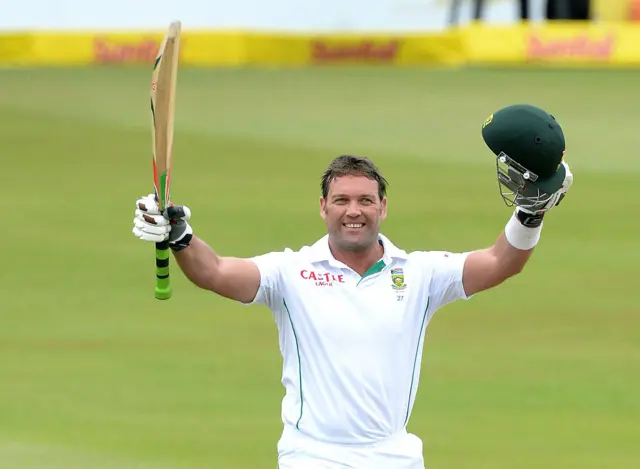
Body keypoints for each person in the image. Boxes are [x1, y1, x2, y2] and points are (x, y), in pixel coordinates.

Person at [132, 103, 574, 469]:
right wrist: (180, 235)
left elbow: (502, 262)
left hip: (394, 455)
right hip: (312, 455)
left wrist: (528, 215)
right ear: (323, 207)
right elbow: (215, 273)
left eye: (365, 200)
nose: (353, 211)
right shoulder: (291, 272)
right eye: (341, 200)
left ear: (383, 206)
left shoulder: (419, 274)